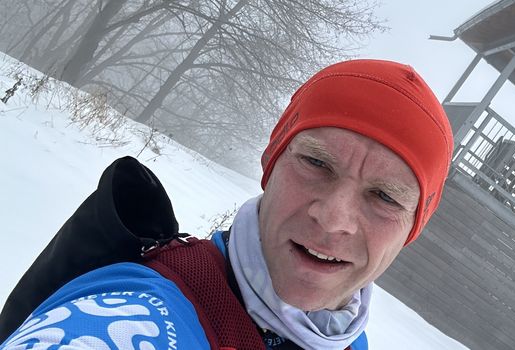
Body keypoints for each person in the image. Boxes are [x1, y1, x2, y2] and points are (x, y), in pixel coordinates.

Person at [0, 59, 454, 350]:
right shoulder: (130, 320)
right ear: (271, 160)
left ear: (411, 228)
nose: (333, 218)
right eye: (317, 163)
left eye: (384, 196)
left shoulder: (344, 339)